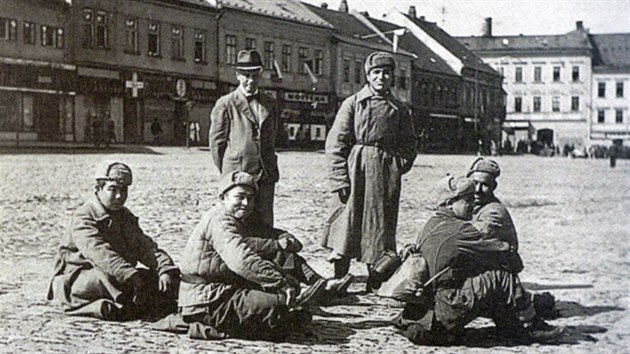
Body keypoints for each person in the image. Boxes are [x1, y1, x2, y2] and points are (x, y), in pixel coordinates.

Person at [175, 171, 352, 341]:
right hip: (206, 299)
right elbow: (241, 260)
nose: (245, 203)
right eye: (240, 197)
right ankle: (201, 324)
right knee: (279, 310)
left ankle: (301, 299)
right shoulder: (220, 221)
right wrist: (279, 282)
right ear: (223, 198)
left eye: (250, 199)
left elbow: (268, 235)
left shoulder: (238, 218)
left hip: (223, 290)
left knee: (290, 311)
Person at [392, 176, 564, 345]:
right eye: (467, 199)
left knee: (482, 279)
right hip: (442, 310)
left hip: (423, 309)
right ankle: (531, 326)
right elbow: (508, 255)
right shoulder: (460, 230)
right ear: (449, 203)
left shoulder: (431, 223)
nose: (473, 203)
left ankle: (510, 326)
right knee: (501, 277)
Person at [322, 51, 417, 289]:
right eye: (376, 73)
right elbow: (336, 144)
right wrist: (339, 179)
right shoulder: (353, 103)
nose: (381, 77)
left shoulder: (400, 109)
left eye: (386, 73)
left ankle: (377, 276)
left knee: (380, 224)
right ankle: (339, 274)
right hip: (356, 168)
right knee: (347, 220)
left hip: (385, 173)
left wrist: (398, 165)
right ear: (367, 76)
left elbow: (409, 144)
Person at [47, 161, 180, 321]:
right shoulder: (84, 217)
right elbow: (101, 254)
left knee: (157, 280)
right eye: (113, 189)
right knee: (112, 278)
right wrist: (130, 274)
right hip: (78, 280)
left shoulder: (125, 216)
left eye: (123, 190)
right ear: (98, 189)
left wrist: (164, 268)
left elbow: (145, 247)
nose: (119, 196)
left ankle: (130, 301)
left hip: (118, 275)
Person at [209, 50, 279, 227]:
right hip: (239, 176)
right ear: (237, 75)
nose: (250, 80)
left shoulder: (269, 103)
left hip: (265, 176)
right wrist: (230, 172)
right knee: (238, 222)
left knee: (264, 223)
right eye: (246, 75)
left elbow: (271, 140)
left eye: (255, 75)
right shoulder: (226, 103)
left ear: (260, 75)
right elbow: (217, 145)